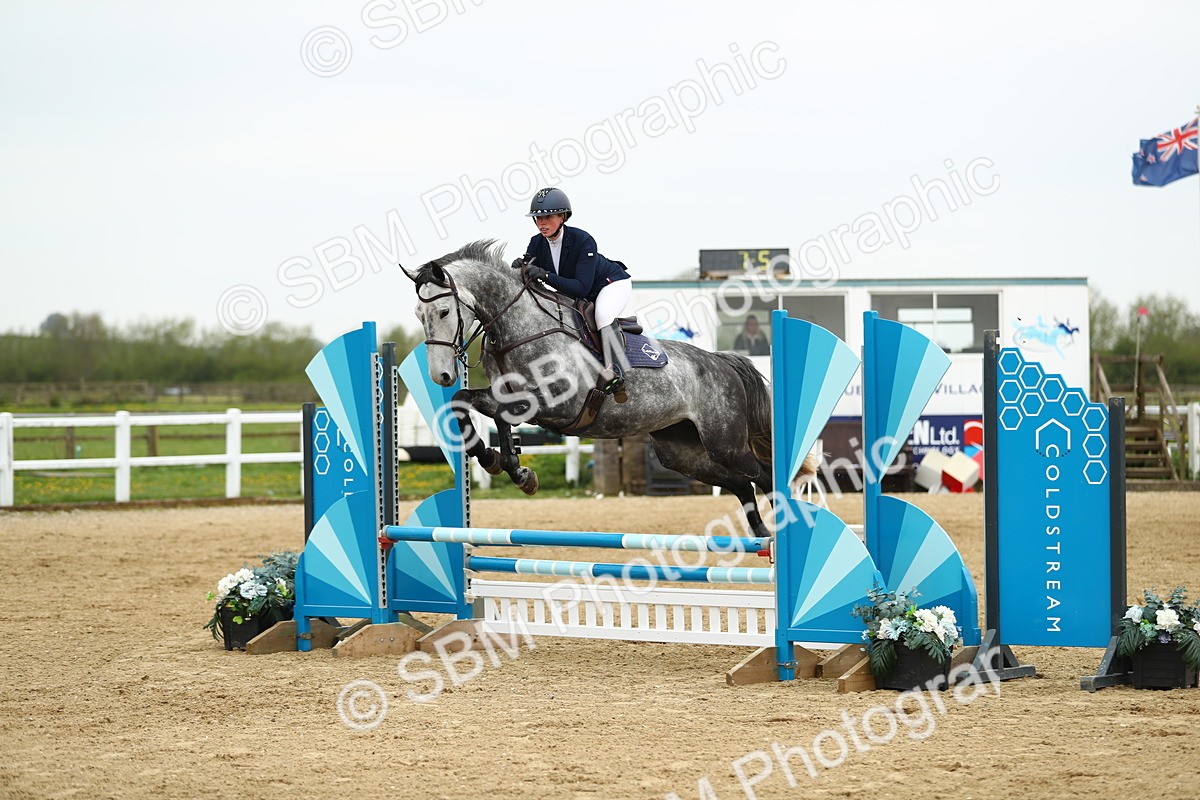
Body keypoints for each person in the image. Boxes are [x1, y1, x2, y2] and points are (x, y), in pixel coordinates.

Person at [513, 187, 633, 399]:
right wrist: (521, 266)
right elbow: (530, 266)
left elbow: (581, 288)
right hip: (581, 295)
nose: (541, 223)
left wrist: (545, 275)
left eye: (547, 217)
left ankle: (615, 370)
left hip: (610, 285)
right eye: (537, 218)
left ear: (562, 216)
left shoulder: (582, 240)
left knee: (603, 315)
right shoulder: (536, 242)